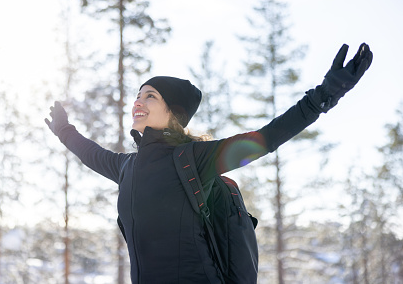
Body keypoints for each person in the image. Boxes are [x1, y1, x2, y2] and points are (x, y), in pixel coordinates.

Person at [45, 43, 373, 283]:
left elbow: (266, 139)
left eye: (150, 96)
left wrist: (325, 95)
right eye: (138, 94)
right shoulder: (126, 167)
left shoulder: (193, 160)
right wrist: (63, 129)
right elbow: (88, 152)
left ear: (173, 113)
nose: (138, 101)